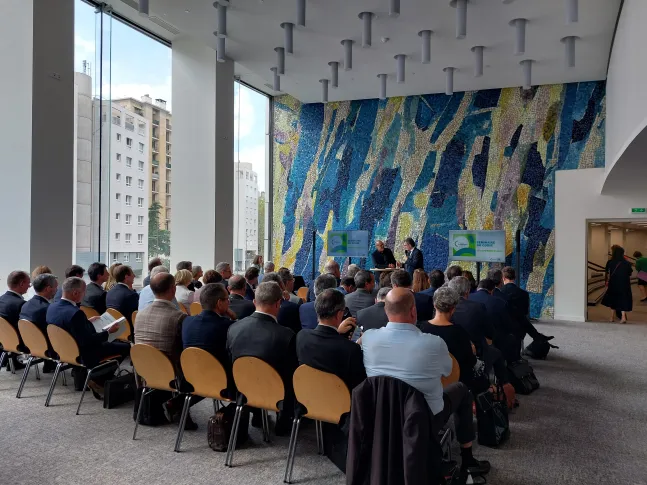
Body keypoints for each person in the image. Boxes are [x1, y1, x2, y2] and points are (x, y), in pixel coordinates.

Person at [361, 288, 490, 479]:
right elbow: (449, 371)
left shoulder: (368, 338)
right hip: (424, 415)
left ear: (385, 310)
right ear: (413, 311)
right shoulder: (433, 344)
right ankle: (468, 458)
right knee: (462, 390)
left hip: (382, 414)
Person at [227, 281, 299, 435]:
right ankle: (283, 422)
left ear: (254, 302)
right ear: (279, 303)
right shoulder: (286, 335)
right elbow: (292, 372)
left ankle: (258, 413)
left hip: (242, 387)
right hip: (276, 393)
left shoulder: (233, 328)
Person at [135, 272, 198, 429]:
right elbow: (186, 349)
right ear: (173, 289)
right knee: (207, 373)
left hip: (145, 370)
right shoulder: (179, 317)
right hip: (172, 372)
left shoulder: (139, 315)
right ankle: (177, 403)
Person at [47, 277, 129, 396]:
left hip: (63, 350)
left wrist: (87, 322)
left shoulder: (52, 307)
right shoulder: (75, 313)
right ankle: (99, 379)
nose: (85, 294)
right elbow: (87, 341)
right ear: (75, 293)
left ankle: (99, 378)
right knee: (125, 347)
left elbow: (68, 329)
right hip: (84, 353)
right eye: (84, 291)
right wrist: (109, 332)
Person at [297, 288, 366, 391]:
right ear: (339, 314)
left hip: (308, 398)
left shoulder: (301, 336)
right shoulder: (351, 349)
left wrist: (336, 332)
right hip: (342, 404)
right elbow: (359, 386)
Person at [182, 283, 237, 397]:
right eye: (227, 299)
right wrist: (234, 318)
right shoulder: (227, 326)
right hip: (222, 381)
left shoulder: (187, 321)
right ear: (219, 303)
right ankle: (228, 413)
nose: (229, 302)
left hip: (191, 377)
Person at [419, 287, 478, 391]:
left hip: (426, 385)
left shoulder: (420, 329)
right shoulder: (459, 332)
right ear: (453, 308)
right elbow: (470, 361)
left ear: (434, 304)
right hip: (455, 386)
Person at [470, 278, 521, 363]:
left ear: (478, 288)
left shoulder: (468, 298)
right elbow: (507, 324)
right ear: (492, 291)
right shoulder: (499, 302)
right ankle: (510, 368)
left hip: (471, 339)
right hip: (493, 339)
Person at [498, 267, 553, 340]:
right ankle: (538, 337)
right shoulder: (524, 294)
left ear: (503, 278)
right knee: (521, 318)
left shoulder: (499, 293)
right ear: (514, 278)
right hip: (519, 330)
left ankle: (538, 337)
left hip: (502, 328)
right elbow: (525, 312)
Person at [19, 273, 58, 372]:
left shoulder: (25, 305)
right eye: (56, 287)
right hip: (49, 349)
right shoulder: (47, 309)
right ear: (48, 288)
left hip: (30, 345)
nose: (57, 290)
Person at [0, 270, 30, 370]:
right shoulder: (21, 304)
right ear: (21, 284)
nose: (29, 286)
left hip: (3, 339)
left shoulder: (1, 299)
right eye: (28, 283)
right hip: (17, 343)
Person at [602, 247, 634, 323]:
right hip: (624, 284)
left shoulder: (610, 262)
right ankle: (623, 317)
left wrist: (606, 281)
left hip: (613, 283)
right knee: (623, 299)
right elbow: (630, 273)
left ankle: (611, 317)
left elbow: (607, 272)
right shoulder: (627, 263)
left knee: (613, 299)